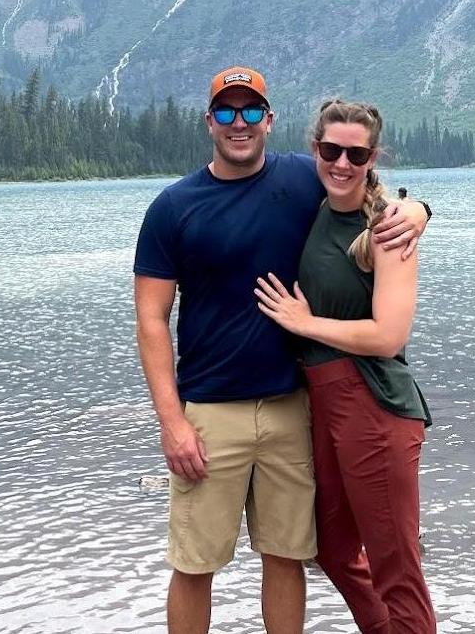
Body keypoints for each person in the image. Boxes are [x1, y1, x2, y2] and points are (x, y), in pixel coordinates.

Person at [134, 68, 429, 634]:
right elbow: (151, 320)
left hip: (294, 406)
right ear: (209, 122)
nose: (238, 123)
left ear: (270, 120)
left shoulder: (305, 176)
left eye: (250, 112)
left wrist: (419, 210)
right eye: (226, 112)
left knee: (288, 553)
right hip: (210, 409)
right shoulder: (173, 207)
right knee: (195, 562)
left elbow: (370, 190)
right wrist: (171, 422)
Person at [255, 98, 436, 634]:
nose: (341, 163)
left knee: (396, 568)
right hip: (325, 406)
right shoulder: (316, 203)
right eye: (331, 149)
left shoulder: (385, 230)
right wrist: (425, 206)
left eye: (355, 155)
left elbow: (388, 336)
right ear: (316, 149)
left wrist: (303, 323)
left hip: (376, 407)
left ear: (373, 157)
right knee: (333, 549)